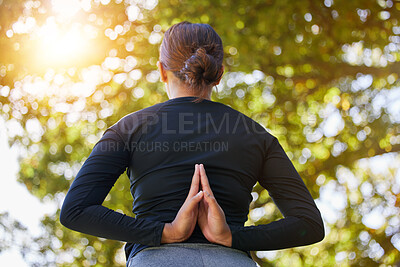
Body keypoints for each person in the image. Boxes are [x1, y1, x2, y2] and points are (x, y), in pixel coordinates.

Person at [60, 21, 325, 266]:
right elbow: (309, 224)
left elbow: (76, 210)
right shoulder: (257, 136)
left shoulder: (128, 129)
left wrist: (164, 231)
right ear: (219, 74)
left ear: (162, 70)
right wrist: (232, 237)